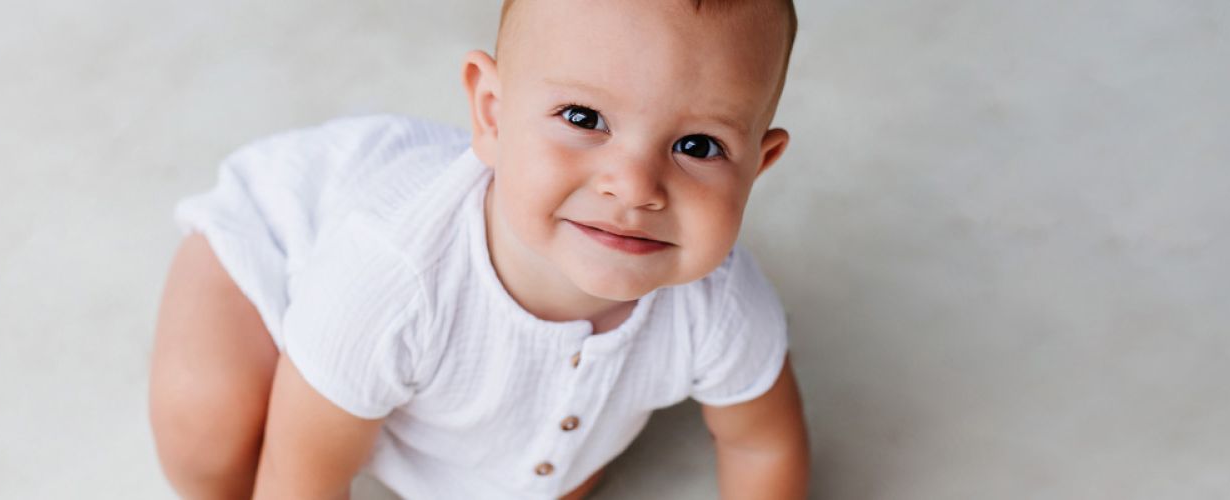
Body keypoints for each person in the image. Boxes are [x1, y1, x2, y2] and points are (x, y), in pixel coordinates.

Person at [149, 0, 809, 498]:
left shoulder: (721, 306)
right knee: (208, 436)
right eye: (583, 118)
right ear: (492, 114)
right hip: (279, 240)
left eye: (698, 146)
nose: (634, 188)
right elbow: (303, 473)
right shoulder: (389, 282)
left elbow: (761, 448)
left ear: (758, 163)